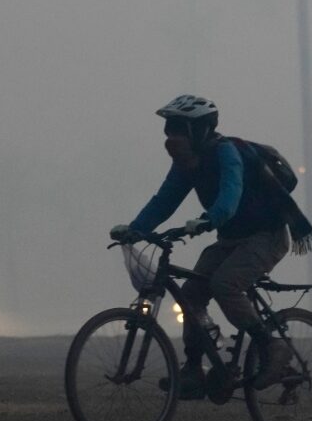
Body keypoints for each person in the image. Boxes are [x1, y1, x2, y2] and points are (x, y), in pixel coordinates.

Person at [110, 95, 296, 398]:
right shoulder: (186, 166)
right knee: (190, 295)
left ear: (199, 130)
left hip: (267, 237)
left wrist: (210, 219)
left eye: (177, 129)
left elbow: (230, 196)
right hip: (231, 240)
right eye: (169, 129)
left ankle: (271, 345)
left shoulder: (227, 153)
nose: (171, 137)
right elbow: (164, 201)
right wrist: (134, 230)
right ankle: (193, 370)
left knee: (225, 285)